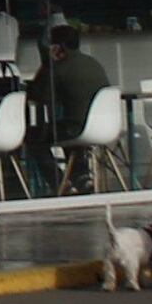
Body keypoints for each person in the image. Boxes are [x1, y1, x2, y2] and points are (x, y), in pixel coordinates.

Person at [41, 20, 112, 194]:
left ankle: (60, 183)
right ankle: (82, 178)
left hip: (77, 128)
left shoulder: (59, 68)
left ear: (59, 47)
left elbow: (41, 96)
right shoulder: (94, 64)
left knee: (35, 136)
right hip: (105, 128)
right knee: (68, 126)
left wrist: (48, 64)